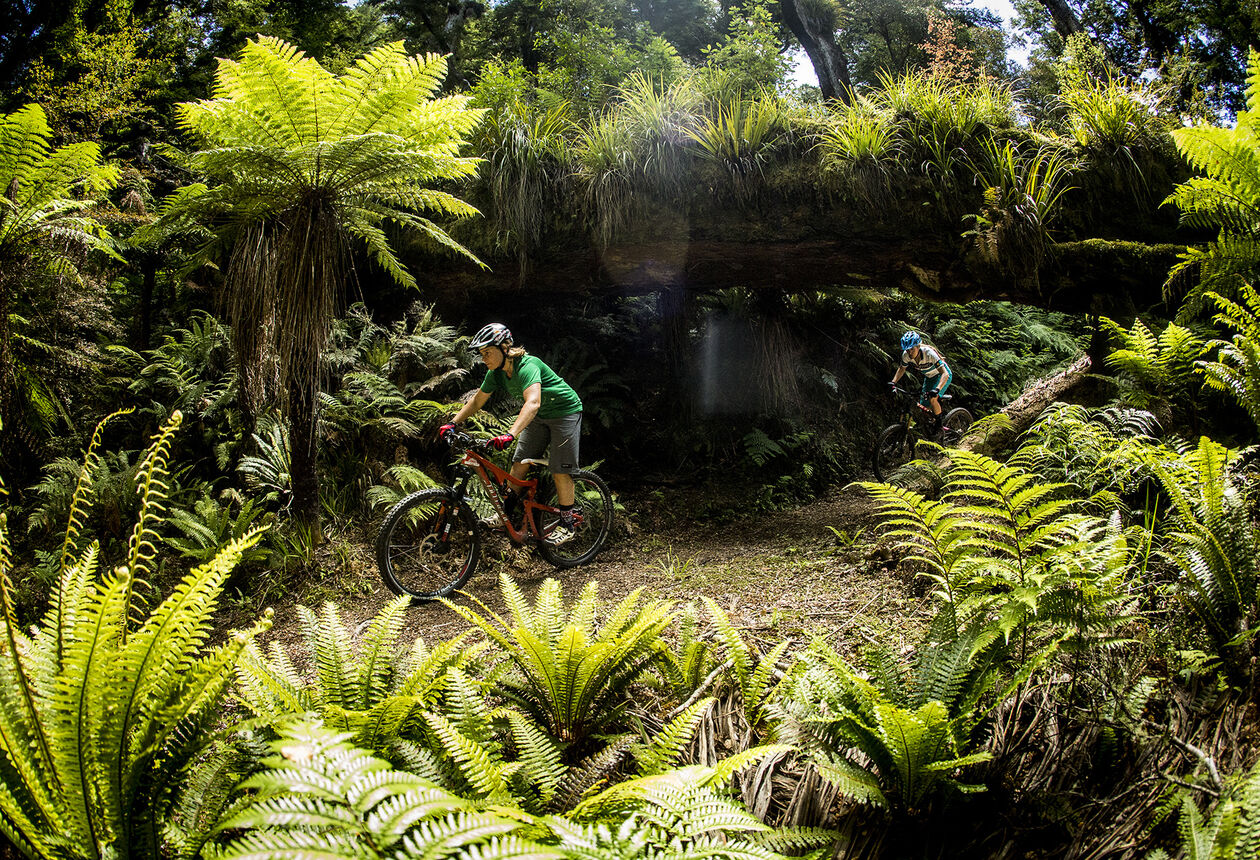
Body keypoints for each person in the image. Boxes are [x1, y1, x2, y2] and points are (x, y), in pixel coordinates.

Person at [439, 323, 584, 544]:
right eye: (481, 354)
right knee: (519, 463)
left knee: (560, 468)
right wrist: (451, 423)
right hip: (540, 417)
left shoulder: (527, 366)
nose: (484, 358)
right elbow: (477, 400)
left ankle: (567, 523)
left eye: (487, 352)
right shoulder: (495, 374)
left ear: (505, 348)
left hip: (565, 412)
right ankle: (504, 515)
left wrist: (510, 434)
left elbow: (533, 403)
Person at [889, 330, 952, 434]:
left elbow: (945, 374)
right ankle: (932, 421)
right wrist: (893, 382)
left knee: (932, 399)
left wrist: (937, 389)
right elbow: (901, 369)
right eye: (907, 350)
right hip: (929, 377)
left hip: (943, 375)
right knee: (923, 406)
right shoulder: (906, 355)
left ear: (918, 346)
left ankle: (939, 425)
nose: (909, 352)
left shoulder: (929, 353)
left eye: (912, 349)